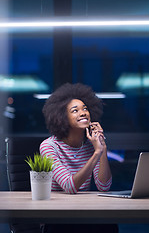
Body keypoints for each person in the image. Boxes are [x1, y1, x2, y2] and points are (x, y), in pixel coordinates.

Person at [40, 83, 118, 233]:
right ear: (61, 117)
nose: (83, 113)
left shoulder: (91, 145)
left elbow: (104, 186)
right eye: (74, 111)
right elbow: (69, 186)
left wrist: (102, 147)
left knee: (109, 226)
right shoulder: (49, 146)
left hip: (85, 211)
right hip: (58, 217)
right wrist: (96, 154)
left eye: (85, 109)